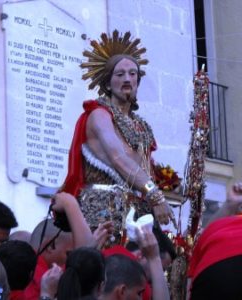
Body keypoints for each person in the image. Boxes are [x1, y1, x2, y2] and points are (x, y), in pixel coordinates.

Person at [61, 30, 174, 240]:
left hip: (138, 212)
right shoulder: (99, 115)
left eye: (132, 74)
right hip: (104, 212)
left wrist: (168, 186)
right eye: (119, 74)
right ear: (107, 82)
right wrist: (155, 195)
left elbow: (144, 167)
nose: (127, 79)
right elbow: (118, 157)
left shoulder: (141, 125)